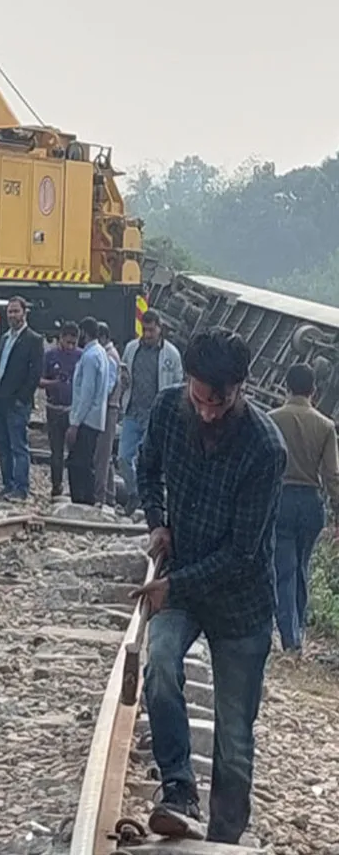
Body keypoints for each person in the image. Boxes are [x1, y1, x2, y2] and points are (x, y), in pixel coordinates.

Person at [134, 328, 285, 844]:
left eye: (218, 403)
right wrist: (157, 521)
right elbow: (146, 467)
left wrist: (172, 586)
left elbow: (244, 555)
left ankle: (222, 839)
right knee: (159, 669)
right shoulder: (166, 411)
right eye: (198, 398)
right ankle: (177, 789)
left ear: (240, 389)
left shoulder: (265, 449)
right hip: (184, 574)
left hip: (240, 605)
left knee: (235, 737)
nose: (206, 412)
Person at [267, 362, 339, 653]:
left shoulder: (272, 419)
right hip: (311, 502)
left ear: (286, 387)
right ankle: (297, 630)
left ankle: (290, 638)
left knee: (284, 568)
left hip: (281, 499)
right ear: (314, 390)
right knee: (302, 567)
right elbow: (332, 475)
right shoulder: (325, 426)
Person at [118, 310, 184, 514]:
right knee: (123, 457)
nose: (147, 335)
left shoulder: (171, 355)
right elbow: (123, 372)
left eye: (151, 330)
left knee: (147, 460)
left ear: (160, 329)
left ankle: (149, 501)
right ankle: (134, 494)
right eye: (145, 330)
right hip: (132, 410)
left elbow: (178, 385)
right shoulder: (131, 348)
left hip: (155, 416)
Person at [0, 296, 42, 500]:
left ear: (24, 312)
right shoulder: (4, 338)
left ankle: (21, 488)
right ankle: (7, 484)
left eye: (16, 311)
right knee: (2, 444)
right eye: (9, 312)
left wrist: (22, 398)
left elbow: (35, 373)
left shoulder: (33, 340)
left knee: (18, 446)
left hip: (17, 404)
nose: (12, 315)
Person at [67, 317, 112, 506]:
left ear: (84, 333)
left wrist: (75, 423)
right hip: (96, 418)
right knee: (86, 462)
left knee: (78, 463)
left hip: (86, 419)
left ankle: (82, 502)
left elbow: (86, 393)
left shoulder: (90, 356)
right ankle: (87, 500)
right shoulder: (101, 353)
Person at [41, 322, 82, 499]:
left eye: (73, 343)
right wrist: (55, 383)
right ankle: (56, 485)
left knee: (75, 452)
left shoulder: (81, 356)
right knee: (56, 451)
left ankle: (75, 489)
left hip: (73, 409)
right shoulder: (50, 355)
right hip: (54, 408)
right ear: (60, 339)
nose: (70, 347)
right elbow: (39, 381)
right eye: (67, 343)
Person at [94, 321, 122, 507]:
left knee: (101, 455)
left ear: (103, 337)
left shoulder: (109, 357)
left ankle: (100, 497)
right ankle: (110, 496)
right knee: (107, 456)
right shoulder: (108, 354)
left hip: (108, 408)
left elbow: (108, 386)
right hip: (108, 407)